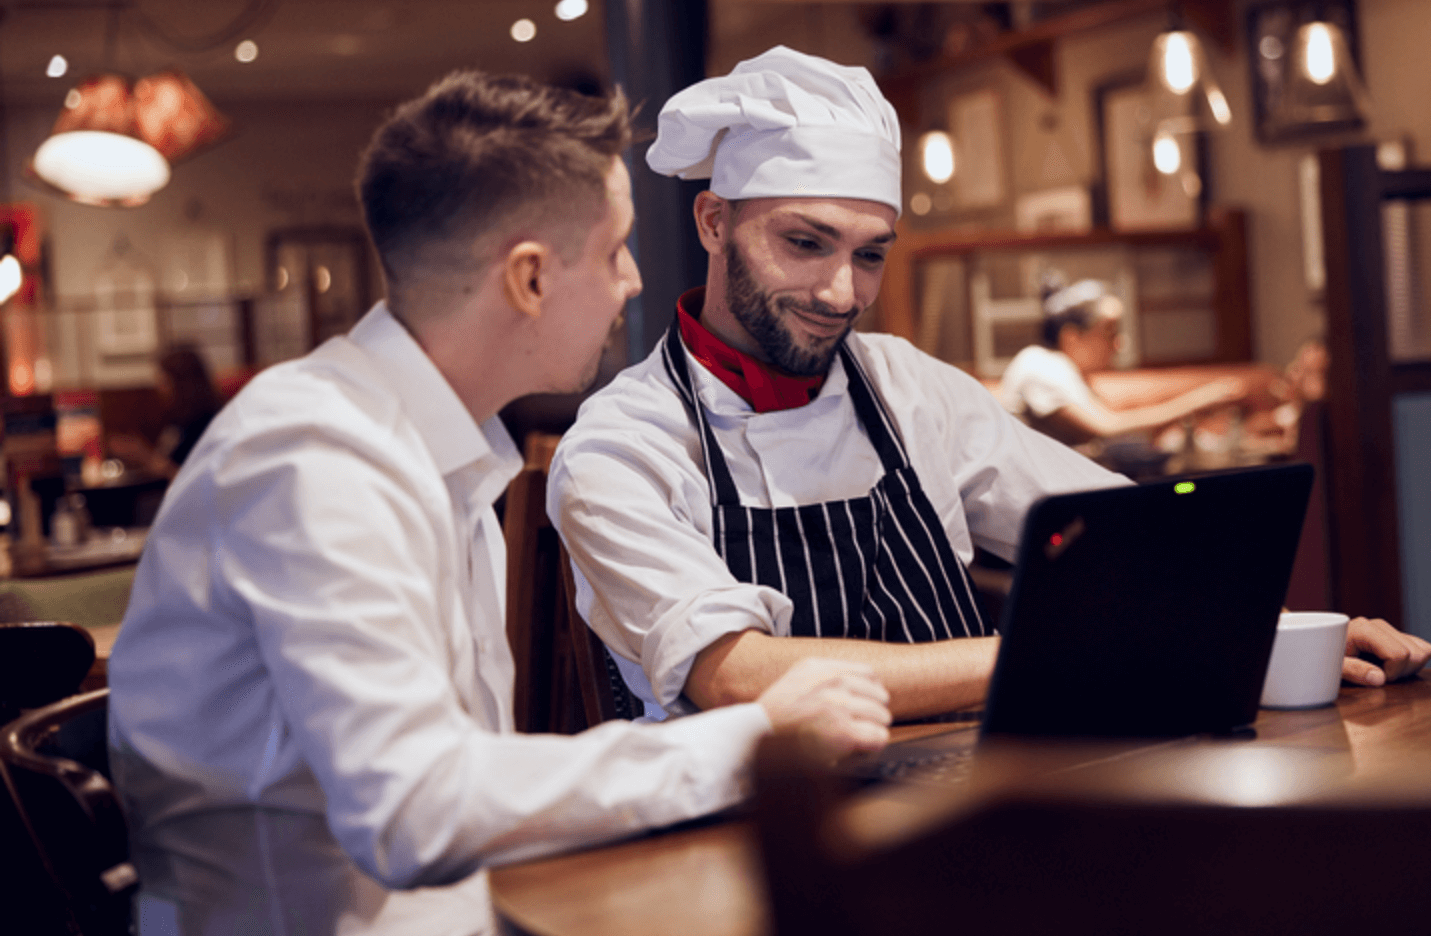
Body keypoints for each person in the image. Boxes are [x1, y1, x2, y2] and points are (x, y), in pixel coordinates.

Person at [107, 71, 890, 936]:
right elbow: (414, 812)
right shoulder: (315, 456)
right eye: (613, 251)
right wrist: (751, 739)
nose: (633, 281)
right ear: (528, 279)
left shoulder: (437, 446)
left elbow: (468, 785)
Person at [548, 47, 1431, 728]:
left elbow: (1123, 532)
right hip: (760, 837)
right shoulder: (623, 446)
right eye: (805, 243)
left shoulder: (907, 390)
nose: (841, 294)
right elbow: (739, 676)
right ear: (714, 222)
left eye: (870, 255)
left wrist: (1274, 629)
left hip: (972, 797)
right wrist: (1059, 649)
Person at [998, 277, 1249, 445]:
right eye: (1109, 333)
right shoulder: (1040, 364)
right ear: (1071, 338)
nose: (1119, 344)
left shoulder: (1063, 370)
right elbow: (1108, 427)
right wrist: (1199, 400)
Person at [105, 345, 224, 479]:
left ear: (183, 385)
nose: (159, 388)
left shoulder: (206, 423)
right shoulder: (178, 419)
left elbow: (194, 479)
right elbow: (165, 460)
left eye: (165, 382)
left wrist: (143, 456)